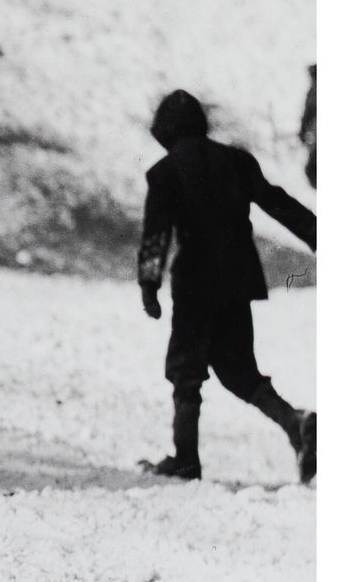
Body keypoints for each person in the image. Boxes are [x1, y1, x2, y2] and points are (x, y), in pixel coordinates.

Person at [136, 89, 317, 483]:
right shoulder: (236, 161)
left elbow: (156, 236)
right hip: (238, 280)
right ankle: (295, 424)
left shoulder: (164, 173)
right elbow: (276, 201)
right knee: (238, 369)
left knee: (186, 370)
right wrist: (317, 233)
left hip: (195, 284)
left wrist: (149, 285)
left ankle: (185, 459)